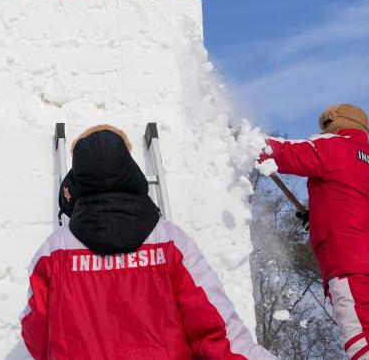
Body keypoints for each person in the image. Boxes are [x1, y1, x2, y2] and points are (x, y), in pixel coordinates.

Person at [22, 126, 275, 359]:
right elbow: (216, 329)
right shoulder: (171, 241)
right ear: (130, 170)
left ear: (76, 181)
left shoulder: (53, 251)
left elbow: (35, 333)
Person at [258, 104, 369, 360]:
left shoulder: (334, 147)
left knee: (365, 350)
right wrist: (319, 219)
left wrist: (246, 141)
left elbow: (282, 154)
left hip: (352, 265)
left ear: (336, 125)